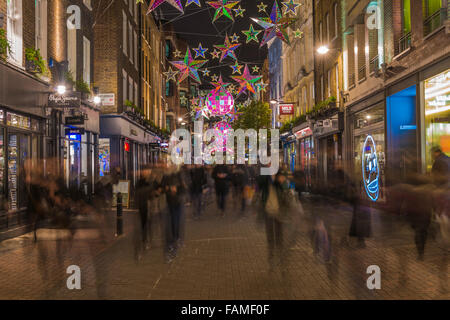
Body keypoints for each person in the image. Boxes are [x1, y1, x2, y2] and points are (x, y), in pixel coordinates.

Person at [257, 168, 291, 272]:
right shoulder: (265, 179)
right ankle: (271, 262)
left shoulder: (281, 177)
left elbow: (287, 187)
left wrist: (281, 180)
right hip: (268, 213)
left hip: (279, 213)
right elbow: (259, 183)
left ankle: (283, 263)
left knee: (280, 239)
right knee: (271, 239)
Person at [161, 165, 186, 262]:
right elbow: (162, 186)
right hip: (169, 203)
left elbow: (184, 188)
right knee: (169, 225)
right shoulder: (166, 175)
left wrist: (177, 189)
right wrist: (167, 188)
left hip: (177, 203)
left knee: (175, 223)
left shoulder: (180, 175)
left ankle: (175, 241)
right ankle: (171, 244)